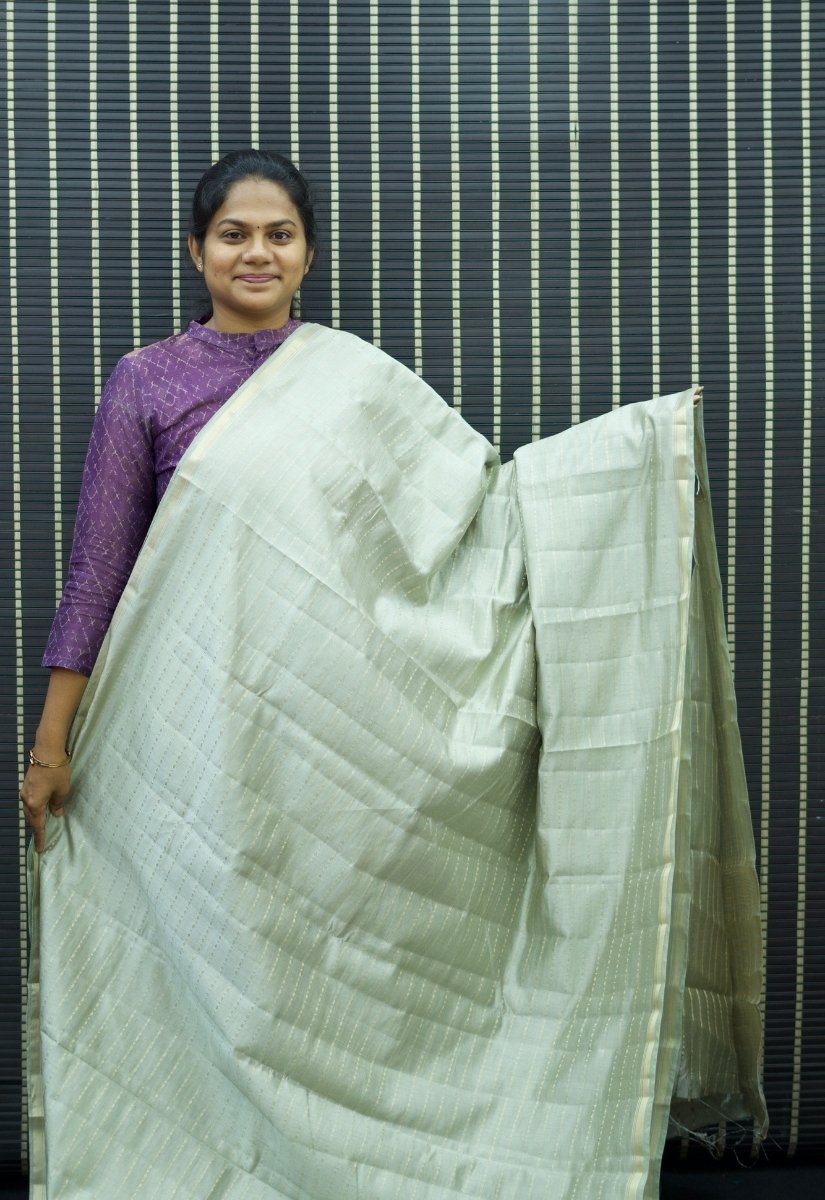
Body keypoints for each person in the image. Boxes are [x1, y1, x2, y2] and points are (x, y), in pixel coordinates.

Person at [22, 150, 765, 1200]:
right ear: (196, 250)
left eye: (279, 234)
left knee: (321, 973)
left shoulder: (354, 379)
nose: (255, 252)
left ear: (307, 254)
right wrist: (51, 746)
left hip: (336, 745)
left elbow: (475, 515)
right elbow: (99, 571)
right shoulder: (146, 382)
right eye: (233, 234)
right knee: (216, 958)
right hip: (191, 737)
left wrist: (629, 464)